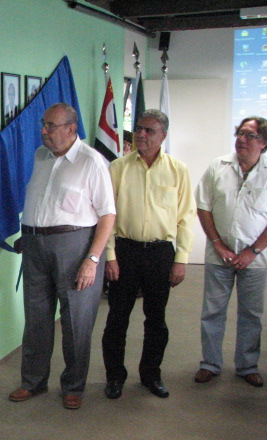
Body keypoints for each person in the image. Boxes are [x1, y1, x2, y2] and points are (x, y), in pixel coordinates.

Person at [8, 103, 116, 410]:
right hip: (35, 246)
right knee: (36, 318)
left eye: (51, 126)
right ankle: (33, 381)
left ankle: (73, 386)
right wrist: (30, 233)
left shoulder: (92, 162)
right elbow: (43, 201)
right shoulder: (40, 156)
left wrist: (92, 260)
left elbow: (107, 215)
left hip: (75, 247)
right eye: (43, 125)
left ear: (71, 129)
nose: (44, 131)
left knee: (75, 321)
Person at [102, 109, 196, 400]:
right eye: (138, 129)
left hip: (160, 253)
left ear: (163, 136)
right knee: (117, 318)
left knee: (156, 319)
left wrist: (181, 259)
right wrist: (110, 255)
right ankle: (114, 377)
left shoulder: (178, 170)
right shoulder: (118, 167)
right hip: (125, 251)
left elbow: (186, 217)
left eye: (149, 131)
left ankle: (151, 374)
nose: (141, 135)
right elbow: (107, 214)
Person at [194, 116, 267, 387]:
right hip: (218, 255)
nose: (242, 139)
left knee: (251, 314)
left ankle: (247, 365)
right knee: (212, 311)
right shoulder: (218, 166)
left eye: (250, 135)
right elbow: (203, 207)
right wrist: (218, 244)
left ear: (264, 143)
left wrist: (252, 252)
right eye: (240, 133)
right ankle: (210, 363)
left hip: (254, 259)